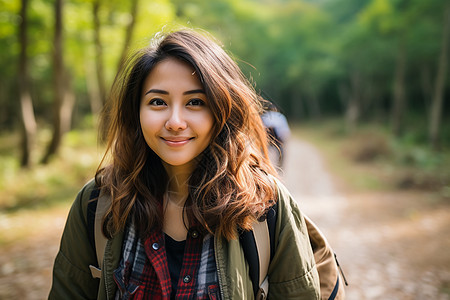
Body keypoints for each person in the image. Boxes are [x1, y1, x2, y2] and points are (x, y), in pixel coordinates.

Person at [49, 29, 320, 299]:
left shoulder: (266, 206)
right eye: (158, 102)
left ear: (222, 110)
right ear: (137, 112)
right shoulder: (97, 203)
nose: (175, 122)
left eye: (195, 102)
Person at [261, 103, 291, 169]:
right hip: (277, 137)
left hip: (268, 137)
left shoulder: (265, 116)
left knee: (263, 151)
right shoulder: (280, 116)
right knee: (281, 151)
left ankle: (263, 164)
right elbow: (284, 129)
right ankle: (280, 166)